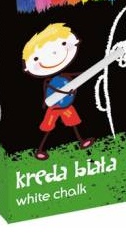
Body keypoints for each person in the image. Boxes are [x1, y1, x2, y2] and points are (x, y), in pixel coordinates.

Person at [22, 23, 94, 160]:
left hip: (66, 106)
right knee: (48, 128)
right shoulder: (50, 81)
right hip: (54, 107)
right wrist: (64, 93)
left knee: (74, 122)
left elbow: (79, 75)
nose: (53, 54)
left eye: (63, 44)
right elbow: (51, 92)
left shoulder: (65, 76)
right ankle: (40, 149)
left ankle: (82, 141)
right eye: (36, 58)